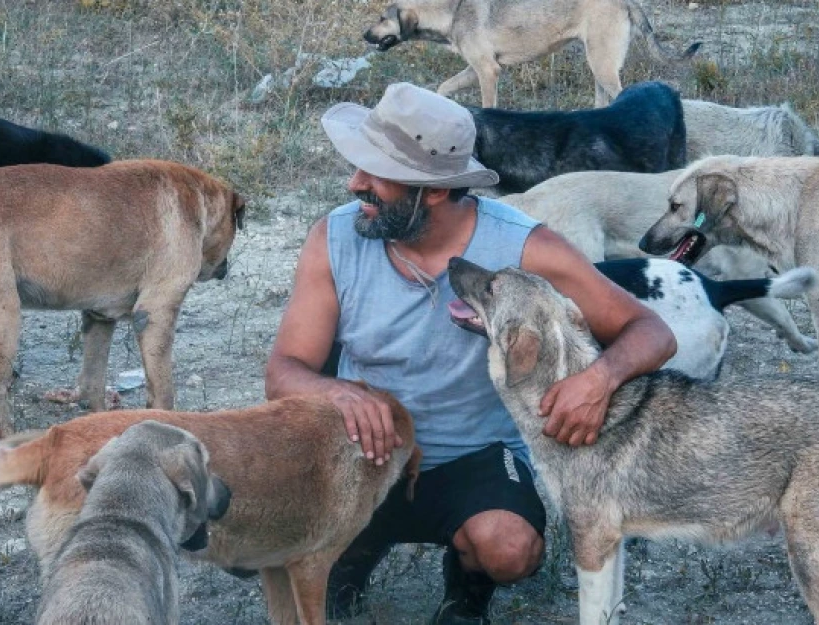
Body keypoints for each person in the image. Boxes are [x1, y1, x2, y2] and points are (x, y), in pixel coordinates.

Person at [264, 82, 676, 624]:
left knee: (510, 549)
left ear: (432, 191)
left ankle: (467, 590)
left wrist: (598, 380)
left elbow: (651, 332)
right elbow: (284, 371)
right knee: (268, 521)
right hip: (363, 454)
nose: (354, 183)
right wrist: (336, 391)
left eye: (375, 174)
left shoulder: (526, 248)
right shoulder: (333, 238)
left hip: (473, 457)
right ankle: (349, 558)